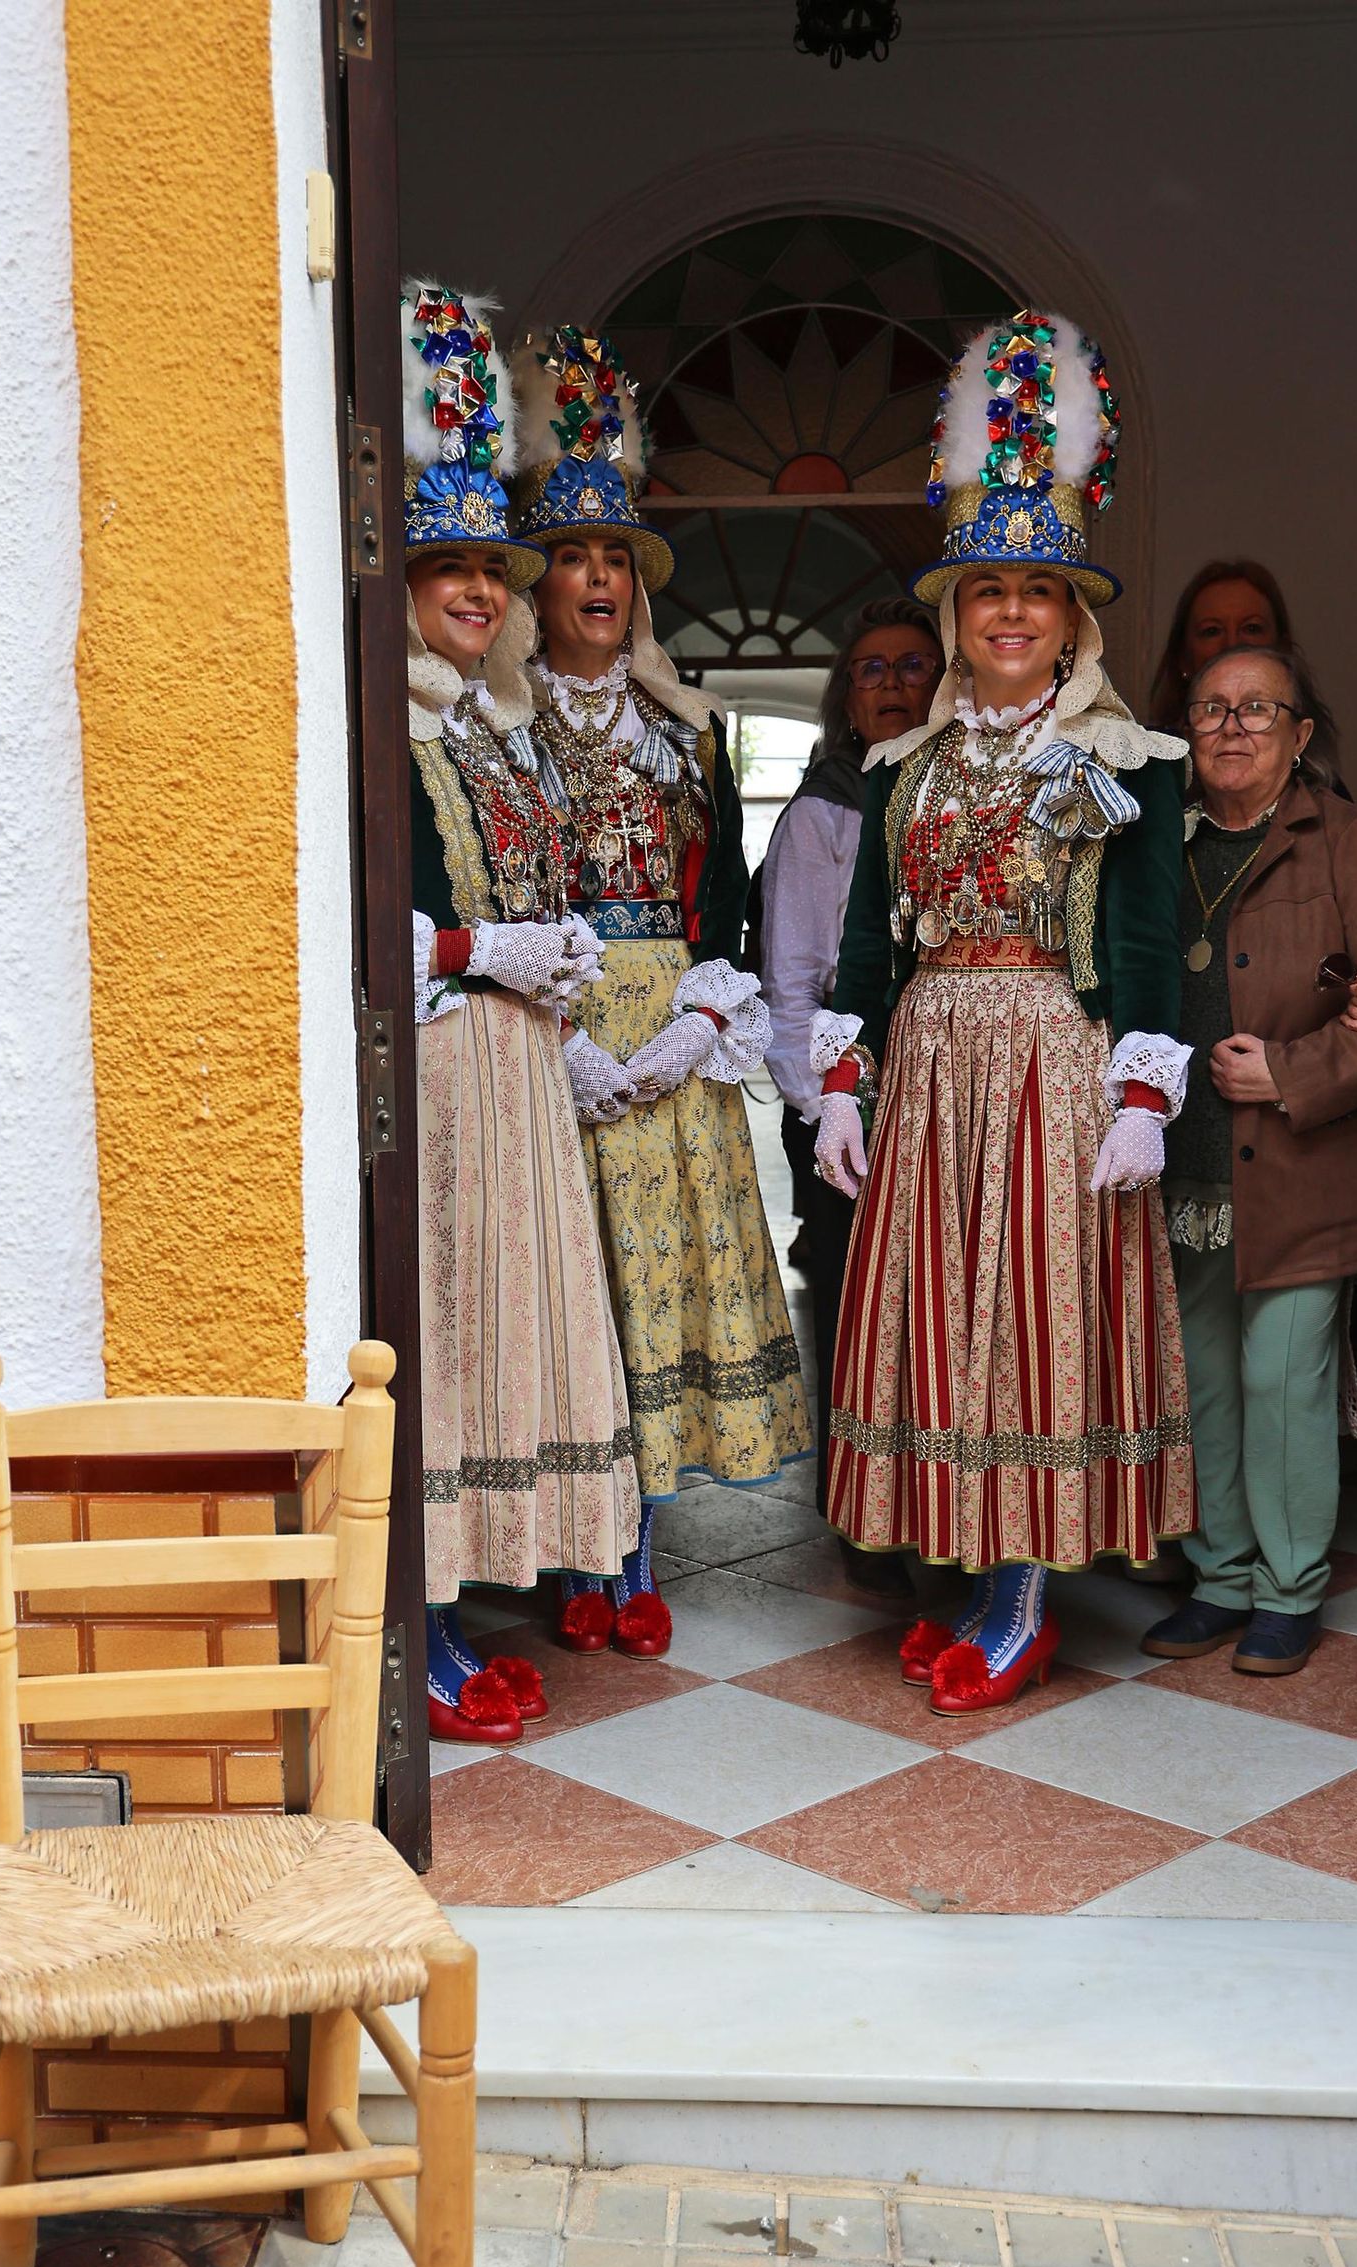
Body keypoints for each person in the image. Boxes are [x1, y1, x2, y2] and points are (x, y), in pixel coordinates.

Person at [814, 310, 1196, 1716]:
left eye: (1037, 594)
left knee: (1030, 1327)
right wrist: (846, 1080)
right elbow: (869, 944)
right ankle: (979, 1581)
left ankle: (1027, 1599)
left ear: (1073, 615)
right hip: (930, 1070)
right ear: (957, 617)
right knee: (945, 1327)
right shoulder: (904, 766)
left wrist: (1144, 1097)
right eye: (987, 596)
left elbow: (1149, 940)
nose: (1011, 616)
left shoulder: (1126, 761)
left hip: (1050, 1065)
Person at [509, 322, 810, 1658]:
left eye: (615, 559)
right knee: (575, 1290)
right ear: (539, 583)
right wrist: (556, 1028)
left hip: (668, 1030)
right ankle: (575, 1555)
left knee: (652, 1292)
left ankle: (633, 1558)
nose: (596, 579)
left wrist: (705, 1013)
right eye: (574, 557)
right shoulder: (497, 726)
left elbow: (726, 899)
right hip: (551, 1023)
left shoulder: (683, 728)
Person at [401, 283, 640, 1744]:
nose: (483, 593)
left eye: (492, 569)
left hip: (514, 1072)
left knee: (501, 1332)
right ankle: (423, 1626)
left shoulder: (481, 722)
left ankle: (466, 1596)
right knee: (447, 1328)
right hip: (440, 1071)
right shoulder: (383, 717)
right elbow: (366, 919)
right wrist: (488, 942)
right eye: (452, 571)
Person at [1140, 647, 1357, 1673]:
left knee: (1282, 1377)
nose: (1231, 726)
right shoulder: (1160, 841)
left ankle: (1287, 1589)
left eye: (1258, 709)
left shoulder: (1348, 837)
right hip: (1184, 1164)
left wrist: (1288, 1072)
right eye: (1211, 709)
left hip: (1304, 1167)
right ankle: (1220, 1575)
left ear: (1298, 736)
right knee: (1200, 1378)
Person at [761, 598, 942, 1517]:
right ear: (846, 697)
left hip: (953, 1085)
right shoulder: (826, 813)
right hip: (846, 1096)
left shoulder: (958, 789)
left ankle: (936, 1497)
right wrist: (819, 1110)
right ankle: (858, 1507)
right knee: (853, 1306)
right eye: (871, 670)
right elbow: (793, 979)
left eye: (913, 665)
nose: (893, 685)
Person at [1147, 560, 1346, 786]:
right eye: (1212, 631)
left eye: (1251, 628)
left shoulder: (1331, 811)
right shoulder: (1151, 778)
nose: (1233, 644)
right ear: (1182, 657)